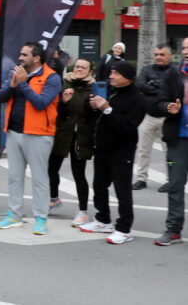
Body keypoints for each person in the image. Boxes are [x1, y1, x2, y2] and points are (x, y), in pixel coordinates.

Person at [0, 42, 61, 234]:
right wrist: (12, 86)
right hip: (14, 131)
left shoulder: (52, 77)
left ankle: (41, 218)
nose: (20, 58)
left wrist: (22, 84)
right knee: (14, 177)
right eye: (20, 54)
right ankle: (14, 214)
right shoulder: (17, 72)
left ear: (37, 58)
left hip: (39, 134)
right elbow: (1, 97)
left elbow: (41, 103)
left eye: (24, 55)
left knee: (39, 179)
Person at [80, 61, 145, 244]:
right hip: (102, 147)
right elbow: (88, 108)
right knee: (99, 185)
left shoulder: (137, 99)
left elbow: (128, 126)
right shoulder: (107, 88)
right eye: (111, 73)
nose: (111, 76)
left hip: (122, 150)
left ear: (128, 78)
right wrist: (92, 104)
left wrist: (107, 110)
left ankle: (124, 229)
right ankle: (102, 220)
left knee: (122, 189)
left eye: (116, 73)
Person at [49, 58, 96, 226]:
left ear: (90, 72)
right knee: (51, 168)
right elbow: (57, 110)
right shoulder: (64, 83)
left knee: (78, 174)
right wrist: (64, 101)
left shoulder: (93, 88)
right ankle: (53, 198)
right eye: (77, 66)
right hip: (62, 133)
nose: (80, 69)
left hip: (81, 136)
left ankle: (82, 211)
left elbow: (94, 115)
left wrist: (94, 106)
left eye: (84, 67)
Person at [154, 37, 188, 246]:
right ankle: (173, 229)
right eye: (184, 47)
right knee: (175, 185)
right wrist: (168, 107)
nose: (186, 51)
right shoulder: (174, 74)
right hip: (178, 138)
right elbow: (158, 102)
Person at [133, 44, 173, 191]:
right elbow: (139, 84)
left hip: (167, 118)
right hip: (148, 116)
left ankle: (171, 179)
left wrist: (153, 86)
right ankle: (141, 178)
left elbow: (173, 91)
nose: (158, 57)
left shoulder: (174, 72)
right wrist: (159, 88)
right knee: (143, 149)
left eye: (162, 54)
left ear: (169, 56)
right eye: (156, 54)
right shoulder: (147, 69)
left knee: (168, 152)